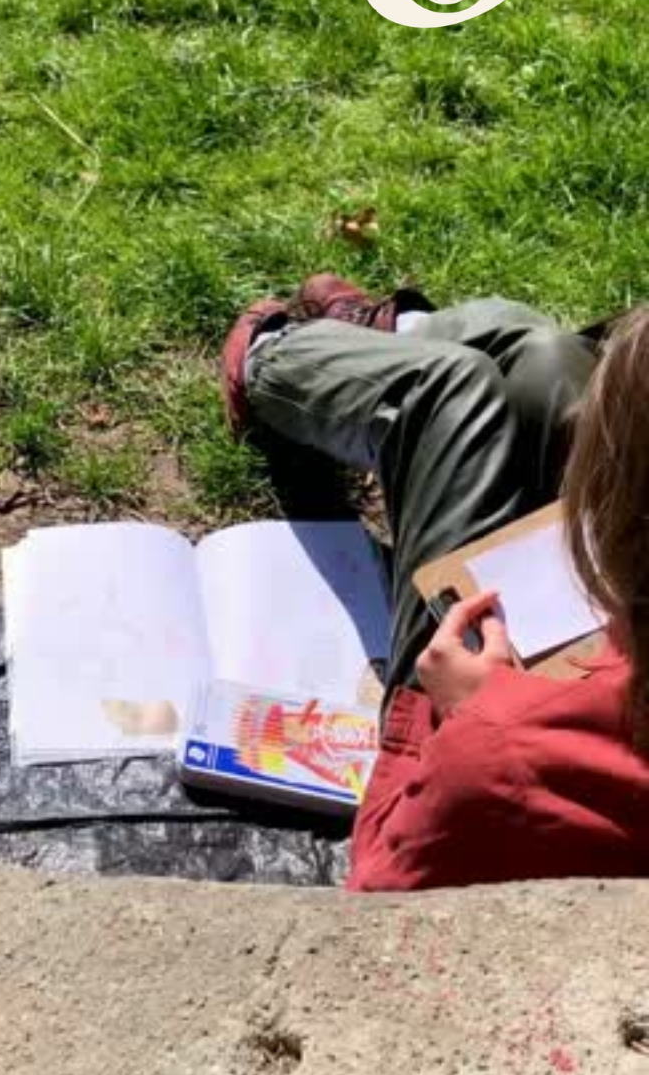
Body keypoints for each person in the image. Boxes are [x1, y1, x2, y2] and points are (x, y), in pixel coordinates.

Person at [222, 273, 649, 890]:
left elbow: (383, 884)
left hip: (465, 718)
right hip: (566, 687)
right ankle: (399, 335)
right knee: (547, 359)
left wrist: (467, 713)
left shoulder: (500, 750)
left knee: (450, 391)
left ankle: (272, 355)